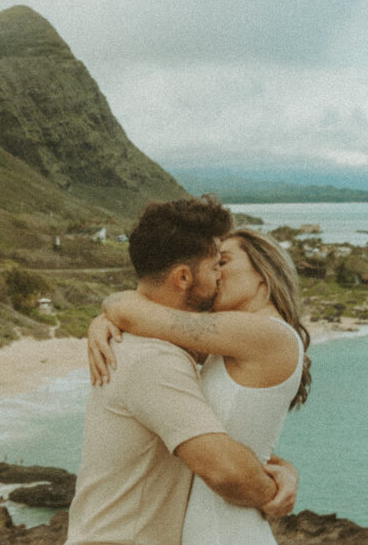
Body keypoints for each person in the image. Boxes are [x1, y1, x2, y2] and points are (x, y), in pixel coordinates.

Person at [65, 196, 298, 545]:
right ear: (184, 276)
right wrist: (274, 490)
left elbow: (231, 436)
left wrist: (113, 309)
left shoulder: (177, 348)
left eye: (225, 262)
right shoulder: (154, 359)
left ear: (264, 274)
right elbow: (223, 467)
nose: (218, 274)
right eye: (215, 263)